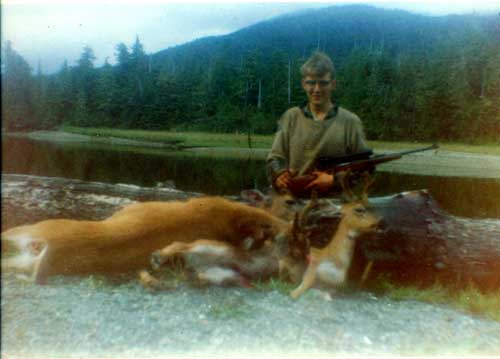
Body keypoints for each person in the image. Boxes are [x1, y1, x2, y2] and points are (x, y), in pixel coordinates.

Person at [266, 51, 370, 196]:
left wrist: (334, 180)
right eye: (311, 83)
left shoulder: (350, 122)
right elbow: (275, 159)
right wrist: (279, 175)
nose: (317, 89)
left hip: (335, 205)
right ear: (303, 84)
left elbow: (365, 169)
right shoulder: (290, 117)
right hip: (292, 201)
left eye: (323, 83)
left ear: (333, 84)